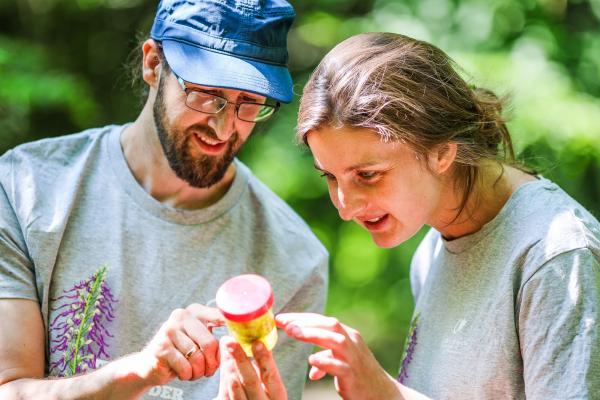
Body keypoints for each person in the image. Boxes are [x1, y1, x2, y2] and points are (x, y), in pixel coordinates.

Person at [218, 32, 600, 399]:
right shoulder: (434, 245)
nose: (346, 206)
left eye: (368, 175)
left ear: (441, 153)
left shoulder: (557, 258)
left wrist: (387, 395)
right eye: (330, 177)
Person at [0, 1, 328, 399]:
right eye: (207, 93)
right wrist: (140, 371)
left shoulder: (295, 259)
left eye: (250, 102)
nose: (225, 127)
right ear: (154, 64)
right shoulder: (26, 187)